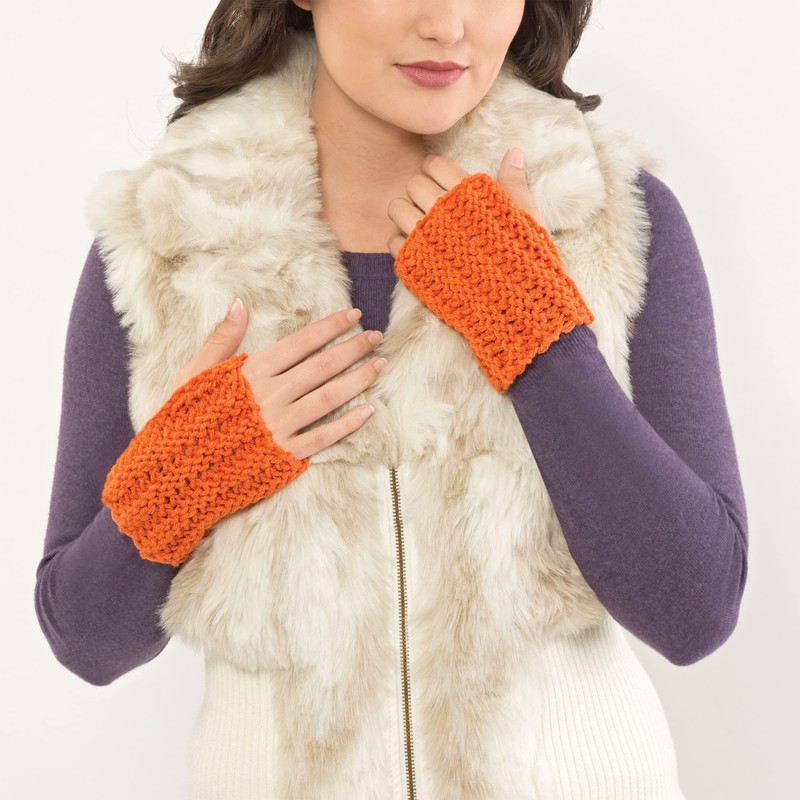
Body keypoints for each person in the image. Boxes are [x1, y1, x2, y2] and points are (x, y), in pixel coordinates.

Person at [35, 1, 749, 797]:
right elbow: (86, 640)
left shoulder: (606, 215)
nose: (449, 25)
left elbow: (694, 612)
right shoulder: (164, 244)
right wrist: (186, 472)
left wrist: (536, 336)